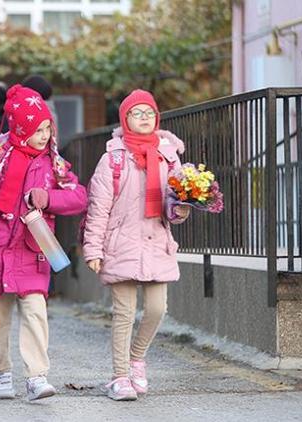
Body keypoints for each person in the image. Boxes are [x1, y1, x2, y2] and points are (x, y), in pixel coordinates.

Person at [0, 69, 87, 401]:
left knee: (35, 314)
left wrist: (49, 199)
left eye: (48, 128)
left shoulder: (54, 164)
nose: (45, 135)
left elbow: (78, 196)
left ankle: (36, 376)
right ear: (20, 128)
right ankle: (1, 372)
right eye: (38, 129)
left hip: (33, 252)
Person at [82, 89, 190, 401]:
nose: (143, 118)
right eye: (136, 113)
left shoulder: (169, 157)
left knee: (157, 309)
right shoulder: (112, 159)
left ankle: (136, 359)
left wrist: (182, 208)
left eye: (149, 113)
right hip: (120, 244)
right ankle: (119, 377)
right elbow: (98, 207)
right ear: (125, 119)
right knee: (124, 313)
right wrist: (94, 249)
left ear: (156, 118)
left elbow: (174, 206)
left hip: (157, 243)